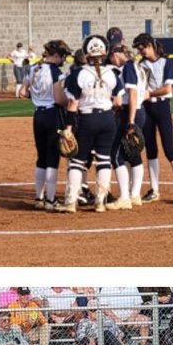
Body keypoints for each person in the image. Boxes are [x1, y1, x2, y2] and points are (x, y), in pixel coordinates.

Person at [56, 35, 123, 213]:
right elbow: (118, 102)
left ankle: (70, 202)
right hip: (108, 119)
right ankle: (100, 202)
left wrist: (68, 128)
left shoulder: (78, 74)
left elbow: (72, 104)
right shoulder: (113, 72)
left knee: (77, 161)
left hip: (86, 119)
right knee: (104, 160)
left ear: (86, 53)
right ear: (105, 52)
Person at [132, 34, 173, 205]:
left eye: (142, 47)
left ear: (150, 45)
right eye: (138, 48)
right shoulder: (141, 65)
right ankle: (154, 189)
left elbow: (167, 88)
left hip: (162, 107)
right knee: (150, 149)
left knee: (169, 149)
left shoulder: (166, 62)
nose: (140, 50)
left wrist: (149, 93)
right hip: (147, 108)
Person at [16, 39, 71, 209]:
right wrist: (69, 103)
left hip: (38, 116)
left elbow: (23, 92)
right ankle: (51, 199)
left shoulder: (34, 68)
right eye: (63, 57)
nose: (64, 61)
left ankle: (39, 198)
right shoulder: (54, 71)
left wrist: (37, 95)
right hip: (53, 115)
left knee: (41, 157)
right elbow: (58, 99)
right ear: (56, 55)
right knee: (52, 158)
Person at [106, 42, 145, 209]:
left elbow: (132, 93)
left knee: (116, 155)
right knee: (133, 153)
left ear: (115, 54)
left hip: (129, 112)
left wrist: (130, 120)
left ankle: (124, 197)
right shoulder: (136, 65)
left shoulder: (128, 67)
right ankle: (135, 195)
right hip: (139, 111)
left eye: (111, 58)